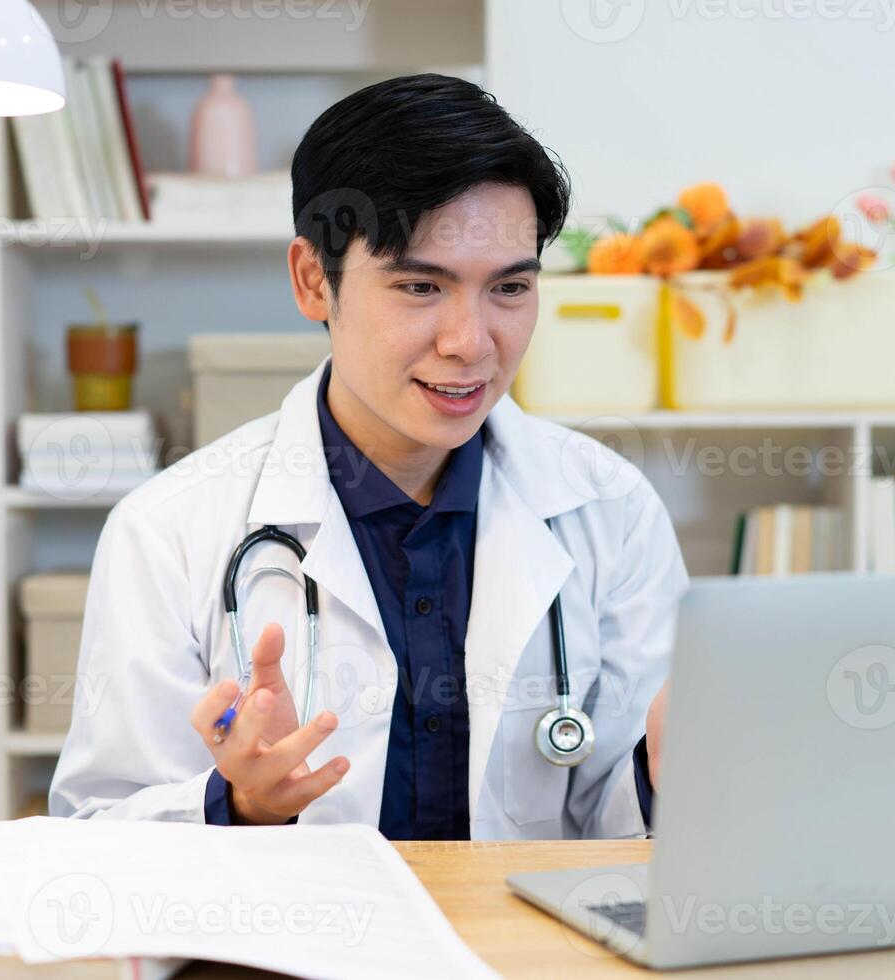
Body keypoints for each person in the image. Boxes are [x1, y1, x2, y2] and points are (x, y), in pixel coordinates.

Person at [50, 73, 689, 840]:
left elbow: (620, 831)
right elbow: (97, 828)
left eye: (510, 288)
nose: (471, 342)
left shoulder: (609, 510)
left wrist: (665, 777)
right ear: (314, 280)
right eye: (422, 286)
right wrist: (242, 805)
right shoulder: (167, 530)